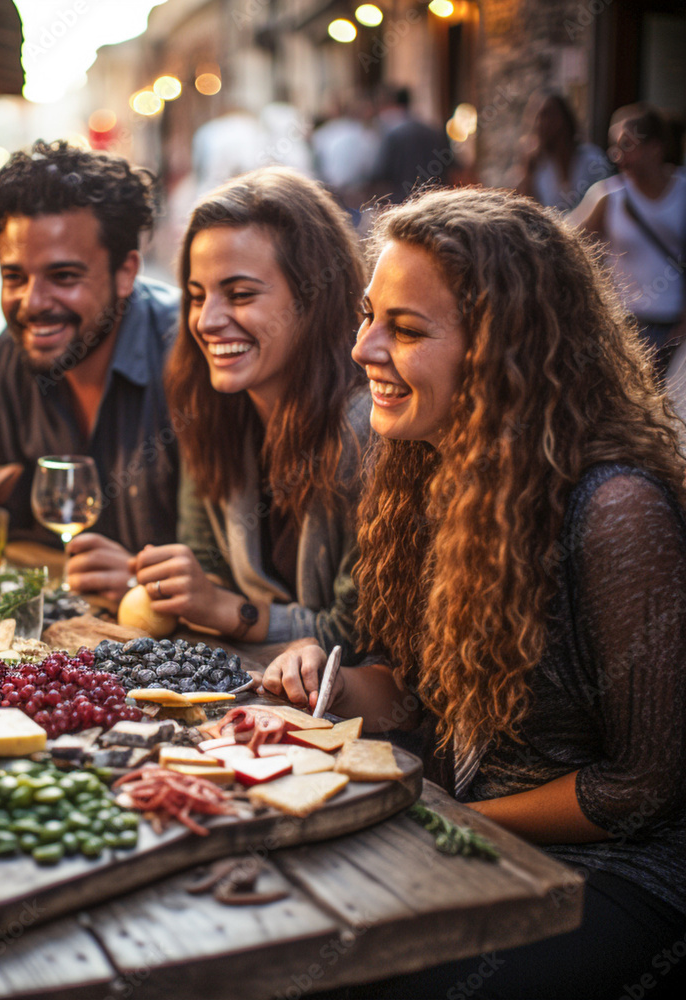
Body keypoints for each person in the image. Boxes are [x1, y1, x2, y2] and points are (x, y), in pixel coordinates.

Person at [265, 187, 686, 998]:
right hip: (462, 825)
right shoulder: (422, 463)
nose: (363, 349)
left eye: (407, 329)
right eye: (368, 316)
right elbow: (411, 692)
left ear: (504, 354)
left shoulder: (615, 508)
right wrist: (326, 678)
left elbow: (643, 786)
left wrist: (440, 817)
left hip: (613, 873)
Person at [130, 168, 371, 650]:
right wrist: (171, 586)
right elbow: (206, 567)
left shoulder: (371, 432)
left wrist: (225, 609)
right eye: (196, 297)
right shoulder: (213, 409)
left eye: (240, 295)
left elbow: (358, 635)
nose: (207, 320)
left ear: (314, 300)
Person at [0, 140, 180, 601]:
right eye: (14, 277)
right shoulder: (6, 361)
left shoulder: (187, 358)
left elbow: (232, 566)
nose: (32, 304)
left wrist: (142, 578)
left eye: (63, 277)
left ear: (126, 273)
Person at [573, 103, 685, 378]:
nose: (617, 156)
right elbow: (568, 246)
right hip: (624, 328)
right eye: (615, 147)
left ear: (655, 147)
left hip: (676, 331)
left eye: (627, 145)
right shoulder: (607, 197)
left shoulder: (682, 192)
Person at [516, 91, 611, 212]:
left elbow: (607, 204)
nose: (543, 123)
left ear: (565, 118)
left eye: (549, 115)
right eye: (538, 117)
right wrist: (528, 174)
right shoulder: (538, 166)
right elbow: (531, 211)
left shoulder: (592, 160)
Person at [369, 86, 456, 204]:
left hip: (402, 202)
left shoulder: (393, 134)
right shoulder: (434, 131)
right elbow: (450, 165)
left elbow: (381, 173)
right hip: (434, 202)